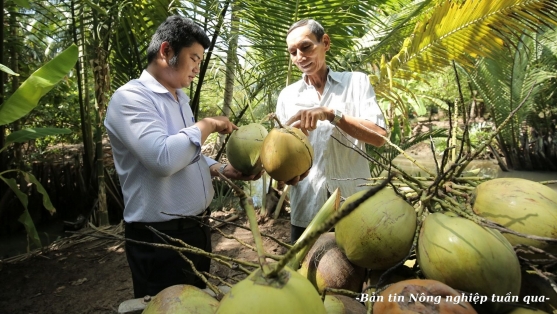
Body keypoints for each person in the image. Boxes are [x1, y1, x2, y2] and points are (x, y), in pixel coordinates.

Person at [104, 15, 260, 298]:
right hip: (160, 239)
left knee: (196, 303)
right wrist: (207, 125)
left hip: (197, 228)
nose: (197, 69)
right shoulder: (129, 99)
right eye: (194, 59)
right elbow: (162, 159)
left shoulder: (179, 99)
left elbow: (185, 153)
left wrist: (220, 168)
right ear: (166, 51)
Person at [275, 19, 388, 243]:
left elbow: (379, 137)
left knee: (356, 273)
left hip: (354, 208)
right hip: (307, 209)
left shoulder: (356, 83)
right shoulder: (287, 96)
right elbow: (279, 164)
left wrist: (331, 114)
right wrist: (287, 172)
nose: (300, 57)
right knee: (306, 275)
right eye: (293, 51)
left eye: (306, 47)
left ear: (325, 42)